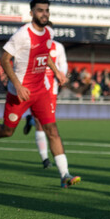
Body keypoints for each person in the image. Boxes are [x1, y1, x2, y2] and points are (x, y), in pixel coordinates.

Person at [0, 0, 81, 188]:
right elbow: (4, 59)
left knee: (52, 131)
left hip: (41, 91)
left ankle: (65, 175)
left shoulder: (49, 32)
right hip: (19, 93)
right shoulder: (22, 34)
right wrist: (17, 85)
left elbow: (45, 54)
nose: (44, 14)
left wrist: (56, 71)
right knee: (7, 131)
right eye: (40, 10)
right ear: (32, 13)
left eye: (47, 10)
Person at [21, 39, 68, 169]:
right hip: (36, 87)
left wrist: (62, 74)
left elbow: (63, 63)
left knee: (49, 124)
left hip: (52, 89)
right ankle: (45, 159)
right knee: (40, 123)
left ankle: (30, 120)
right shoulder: (33, 44)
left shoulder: (58, 46)